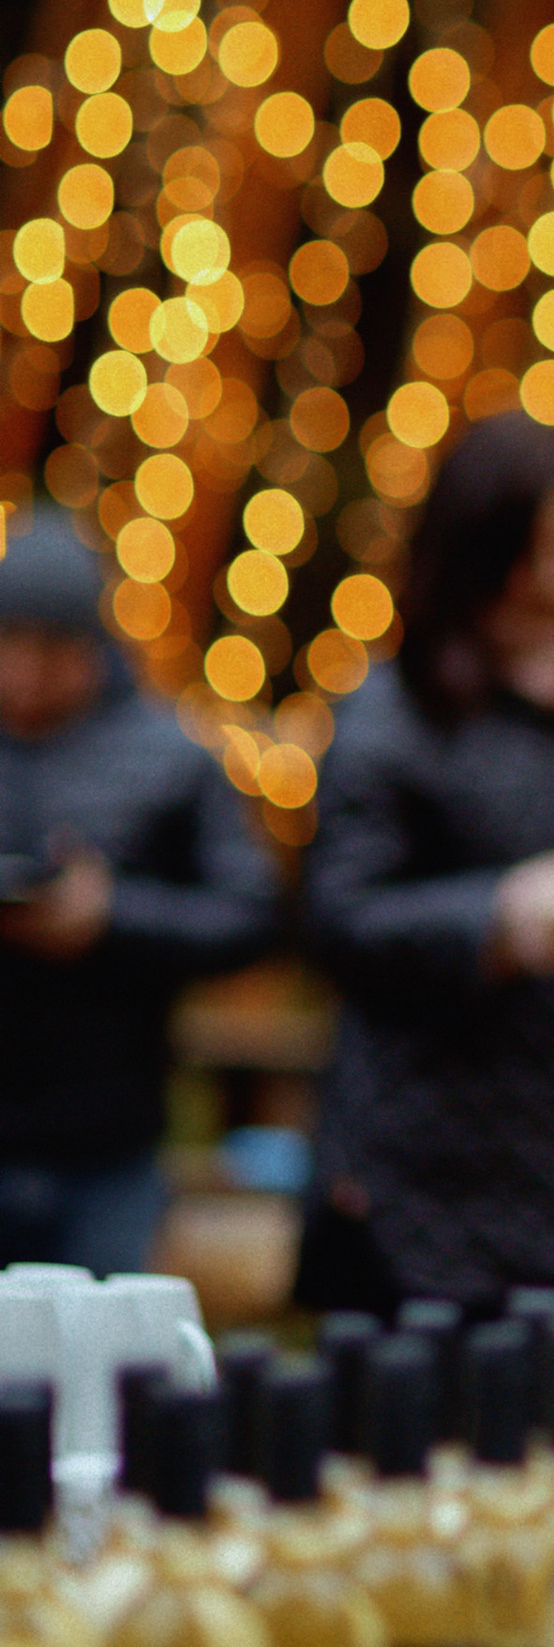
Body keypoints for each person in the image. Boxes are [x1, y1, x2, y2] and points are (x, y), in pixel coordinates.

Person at [302, 412, 554, 1461]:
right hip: (434, 1204)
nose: (553, 584)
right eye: (528, 556)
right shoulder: (391, 718)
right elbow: (339, 920)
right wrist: (497, 921)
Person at [0, 504, 278, 1274]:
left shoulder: (171, 756)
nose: (27, 673)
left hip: (109, 1146)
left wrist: (111, 917)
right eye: (10, 643)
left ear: (92, 645)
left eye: (51, 648)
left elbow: (251, 914)